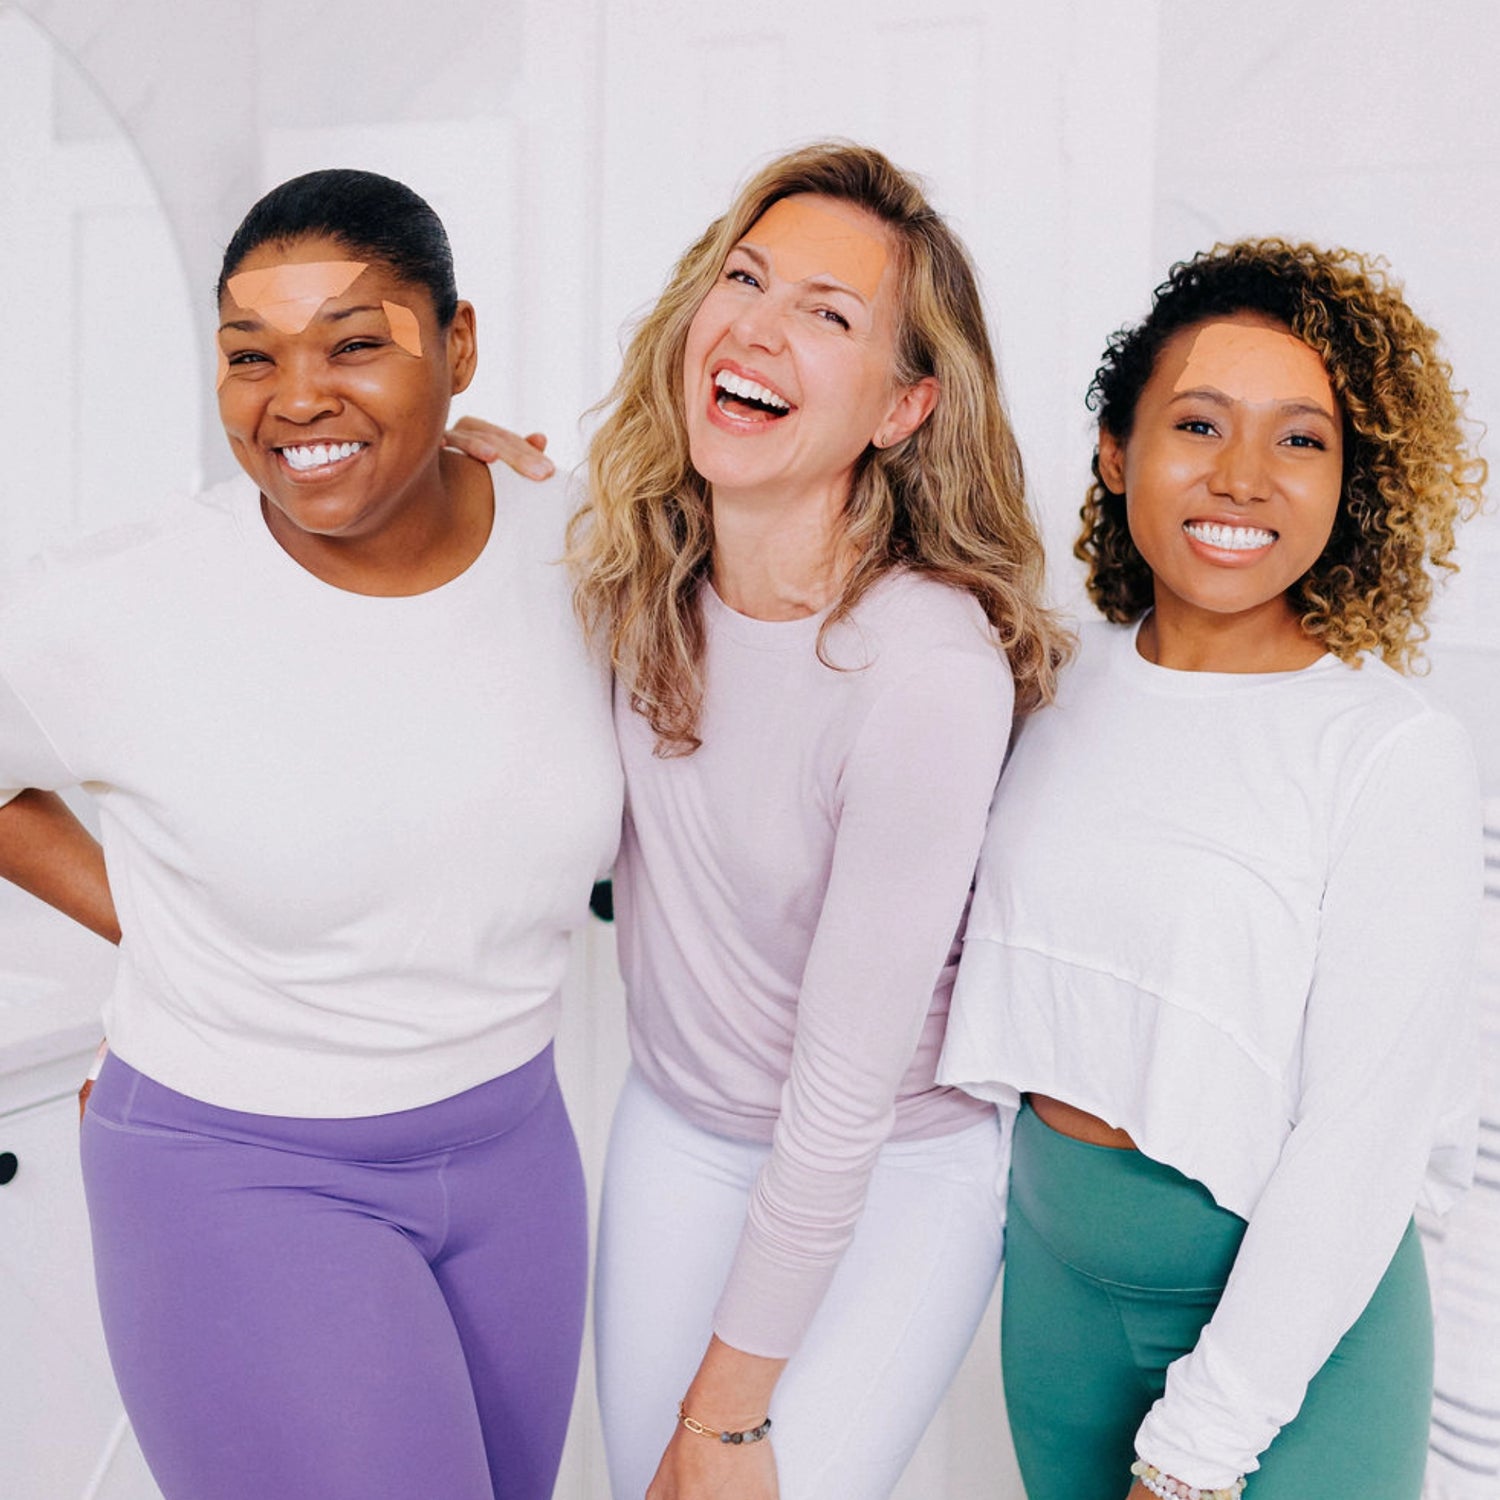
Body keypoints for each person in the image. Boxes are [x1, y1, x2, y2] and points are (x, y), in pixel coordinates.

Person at [0, 168, 621, 1500]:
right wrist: (160, 925)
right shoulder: (127, 602)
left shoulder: (579, 553)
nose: (296, 398)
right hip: (241, 1177)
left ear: (458, 346)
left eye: (356, 343)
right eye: (249, 357)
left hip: (516, 1156)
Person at [558, 141, 1069, 1500]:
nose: (758, 328)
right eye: (745, 278)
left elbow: (841, 1097)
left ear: (906, 407)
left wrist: (725, 1417)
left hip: (889, 1169)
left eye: (829, 315)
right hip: (676, 1128)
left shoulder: (924, 671)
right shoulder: (633, 573)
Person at [938, 239, 1488, 1500]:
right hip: (1057, 1308)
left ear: (1353, 487)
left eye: (1302, 440)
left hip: (1300, 1352)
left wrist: (1196, 1454)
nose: (1243, 477)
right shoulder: (1041, 682)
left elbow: (1366, 1133)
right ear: (1117, 452)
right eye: (1200, 423)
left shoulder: (1391, 748)